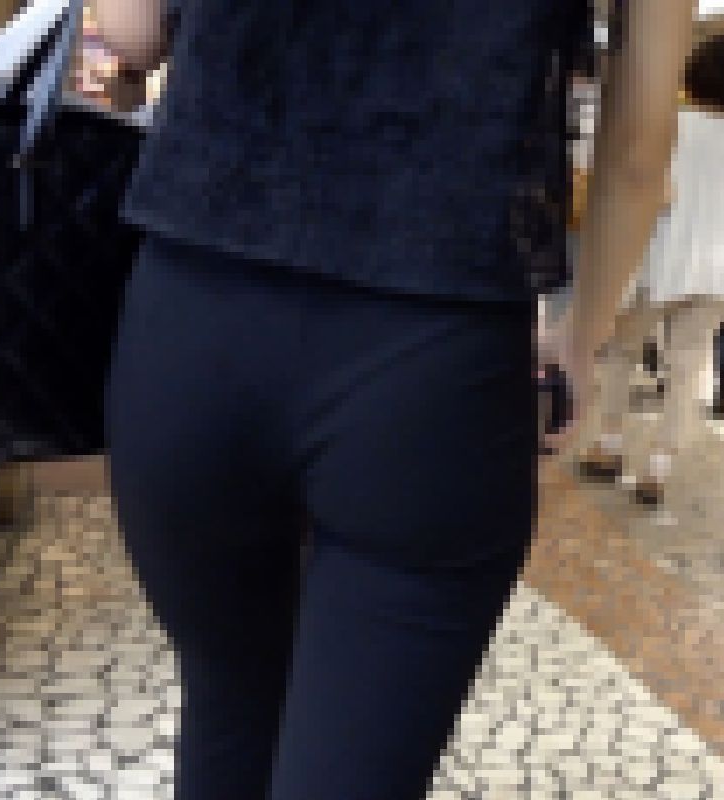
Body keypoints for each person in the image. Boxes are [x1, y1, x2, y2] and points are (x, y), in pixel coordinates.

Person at [95, 0, 693, 798]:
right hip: (434, 355)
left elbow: (133, 33)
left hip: (194, 321)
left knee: (229, 702)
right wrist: (580, 338)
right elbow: (637, 152)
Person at [576, 28, 724, 509]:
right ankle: (659, 468)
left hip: (654, 260)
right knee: (687, 367)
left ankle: (609, 446)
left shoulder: (669, 125)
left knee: (622, 353)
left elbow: (636, 185)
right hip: (715, 273)